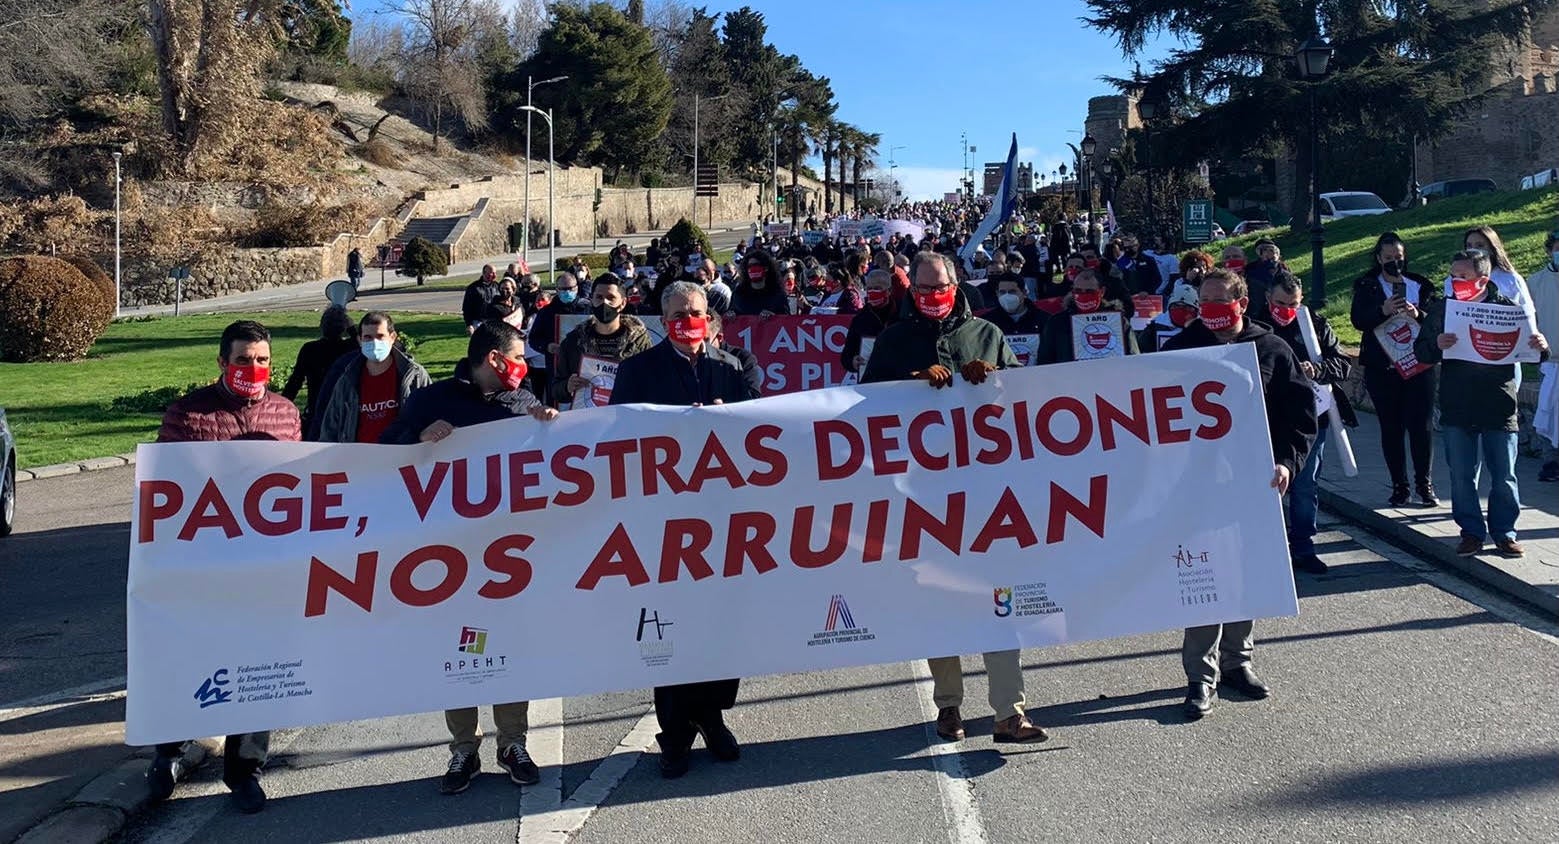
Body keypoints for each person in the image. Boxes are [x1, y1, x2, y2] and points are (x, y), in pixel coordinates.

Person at [861, 252, 1046, 745]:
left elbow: (1020, 403)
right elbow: (867, 407)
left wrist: (994, 383)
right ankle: (948, 706)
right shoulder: (894, 340)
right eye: (921, 289)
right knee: (939, 600)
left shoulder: (987, 335)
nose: (931, 296)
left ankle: (1010, 711)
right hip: (923, 495)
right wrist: (912, 387)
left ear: (955, 282)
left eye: (939, 286)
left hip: (987, 493)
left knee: (998, 599)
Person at [380, 321, 558, 794]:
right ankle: (464, 750)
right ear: (494, 359)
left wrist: (553, 429)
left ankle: (513, 742)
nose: (525, 363)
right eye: (519, 354)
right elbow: (381, 452)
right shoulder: (433, 401)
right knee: (460, 649)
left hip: (509, 556)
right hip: (450, 556)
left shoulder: (523, 402)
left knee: (509, 646)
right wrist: (418, 439)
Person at [148, 320, 302, 814]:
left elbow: (300, 486)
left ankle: (245, 771)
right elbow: (165, 493)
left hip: (263, 569)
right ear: (221, 363)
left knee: (256, 668)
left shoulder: (285, 414)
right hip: (201, 567)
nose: (253, 369)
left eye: (261, 360)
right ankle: (167, 754)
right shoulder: (186, 414)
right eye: (242, 360)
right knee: (185, 661)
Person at [610, 281, 760, 779]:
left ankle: (711, 714)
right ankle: (674, 733)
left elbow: (764, 426)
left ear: (708, 314)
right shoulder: (637, 372)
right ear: (661, 317)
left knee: (723, 624)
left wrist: (730, 421)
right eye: (677, 313)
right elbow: (619, 436)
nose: (687, 319)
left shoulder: (733, 367)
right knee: (672, 629)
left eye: (695, 311)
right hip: (666, 519)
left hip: (725, 517)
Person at [1163, 270, 1317, 720]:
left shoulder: (1271, 350)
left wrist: (1288, 462)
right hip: (1195, 485)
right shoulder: (1177, 351)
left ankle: (1238, 661)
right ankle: (1200, 676)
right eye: (1203, 300)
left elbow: (1300, 416)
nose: (1209, 308)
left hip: (1253, 483)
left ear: (1242, 303)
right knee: (1205, 577)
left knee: (1244, 575)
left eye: (1218, 300)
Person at [1415, 249, 1550, 559]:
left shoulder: (1508, 309)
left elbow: (1533, 353)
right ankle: (1471, 533)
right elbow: (1421, 352)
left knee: (1504, 474)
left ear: (1482, 280)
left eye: (1462, 277)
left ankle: (1505, 533)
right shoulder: (1443, 310)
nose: (1455, 282)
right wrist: (1436, 345)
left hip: (1498, 405)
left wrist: (1540, 347)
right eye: (1453, 276)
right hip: (1457, 405)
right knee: (1462, 475)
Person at [1256, 272, 1356, 574]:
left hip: (1310, 420)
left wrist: (1318, 369)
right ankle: (1266, 545)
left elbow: (1343, 364)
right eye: (1280, 303)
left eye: (1294, 304)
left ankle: (1303, 546)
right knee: (1263, 485)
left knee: (1305, 485)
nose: (1286, 309)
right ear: (1267, 299)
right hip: (1265, 418)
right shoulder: (1255, 326)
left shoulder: (1315, 325)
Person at [1350, 232, 1441, 506]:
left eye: (1398, 258)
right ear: (1378, 259)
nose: (1393, 263)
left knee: (1421, 427)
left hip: (1419, 366)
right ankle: (1399, 486)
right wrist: (1383, 309)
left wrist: (1418, 315)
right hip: (1384, 368)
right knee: (1391, 427)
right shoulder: (1368, 286)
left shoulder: (1420, 285)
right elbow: (1358, 320)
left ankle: (1424, 485)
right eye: (1388, 258)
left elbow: (1437, 321)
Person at [317, 312, 431, 443]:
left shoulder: (414, 375)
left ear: (392, 337)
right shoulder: (347, 380)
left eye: (380, 336)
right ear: (360, 340)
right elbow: (331, 428)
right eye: (368, 337)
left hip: (402, 458)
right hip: (359, 459)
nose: (374, 343)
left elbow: (433, 414)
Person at [551, 274, 656, 407]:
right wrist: (567, 386)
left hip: (626, 419)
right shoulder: (574, 341)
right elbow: (555, 389)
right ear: (592, 300)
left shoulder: (639, 342)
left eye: (611, 298)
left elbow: (653, 384)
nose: (604, 303)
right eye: (599, 297)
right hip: (587, 420)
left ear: (623, 303)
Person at [1034, 268, 1140, 364]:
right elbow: (1045, 360)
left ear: (1102, 292)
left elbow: (1134, 359)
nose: (1083, 295)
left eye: (1089, 291)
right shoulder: (1057, 323)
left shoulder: (1119, 323)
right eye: (1078, 291)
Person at [282, 305, 357, 432]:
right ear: (343, 327)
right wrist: (351, 327)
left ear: (322, 325)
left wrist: (282, 406)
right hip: (344, 410)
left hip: (316, 409)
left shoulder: (310, 349)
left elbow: (295, 382)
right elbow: (360, 340)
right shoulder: (350, 348)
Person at [528, 272, 586, 405]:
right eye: (563, 289)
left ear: (577, 288)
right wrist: (548, 346)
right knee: (556, 405)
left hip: (583, 366)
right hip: (556, 369)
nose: (567, 292)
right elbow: (533, 339)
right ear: (557, 290)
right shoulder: (546, 312)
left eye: (570, 288)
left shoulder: (587, 308)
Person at [1530, 231, 1559, 482]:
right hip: (1550, 359)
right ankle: (1551, 462)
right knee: (1547, 411)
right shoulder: (1536, 282)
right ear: (1550, 250)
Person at [841, 269, 901, 376]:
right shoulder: (860, 319)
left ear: (889, 290)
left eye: (877, 288)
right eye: (869, 289)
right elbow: (846, 356)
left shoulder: (902, 315)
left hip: (898, 381)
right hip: (870, 381)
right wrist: (853, 362)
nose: (873, 292)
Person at [1463, 226, 1534, 312]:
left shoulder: (1511, 279)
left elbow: (1528, 313)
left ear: (1492, 249)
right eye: (1469, 246)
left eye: (1480, 245)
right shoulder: (1455, 279)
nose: (1473, 250)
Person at [983, 275, 1049, 339]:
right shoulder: (988, 321)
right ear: (997, 293)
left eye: (1012, 291)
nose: (1007, 296)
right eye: (1002, 292)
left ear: (1024, 293)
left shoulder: (1044, 319)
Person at [1141, 282, 1200, 352]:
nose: (1181, 310)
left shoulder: (1203, 329)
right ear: (1169, 307)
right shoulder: (1155, 326)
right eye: (1176, 306)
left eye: (1187, 307)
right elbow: (1140, 350)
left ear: (1196, 310)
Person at [730, 251, 791, 316]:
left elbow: (786, 320)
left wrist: (774, 317)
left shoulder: (778, 294)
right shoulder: (739, 293)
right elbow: (731, 312)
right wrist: (730, 315)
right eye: (749, 266)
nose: (752, 269)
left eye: (756, 265)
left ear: (766, 268)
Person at [1243, 239, 1285, 309]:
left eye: (1271, 250)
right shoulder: (1251, 268)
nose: (1268, 253)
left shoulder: (1282, 267)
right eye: (1265, 250)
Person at [462, 265, 502, 334]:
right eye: (492, 273)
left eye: (495, 273)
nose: (494, 275)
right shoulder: (474, 288)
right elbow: (467, 307)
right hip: (478, 322)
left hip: (494, 322)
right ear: (484, 273)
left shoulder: (497, 286)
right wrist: (469, 324)